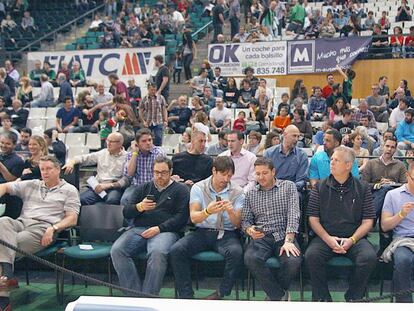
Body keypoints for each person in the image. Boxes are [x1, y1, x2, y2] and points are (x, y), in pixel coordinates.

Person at [305, 146, 377, 302]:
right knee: (312, 256)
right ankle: (322, 299)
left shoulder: (363, 188)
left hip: (354, 237)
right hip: (325, 237)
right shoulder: (319, 187)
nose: (331, 163)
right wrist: (328, 239)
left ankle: (353, 297)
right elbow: (313, 219)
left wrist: (352, 240)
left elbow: (368, 221)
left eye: (336, 160)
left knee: (369, 257)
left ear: (348, 165)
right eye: (331, 159)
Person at [111, 156, 190, 295]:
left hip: (166, 231)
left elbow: (181, 218)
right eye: (156, 172)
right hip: (139, 229)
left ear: (171, 171)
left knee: (157, 253)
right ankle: (135, 296)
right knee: (117, 250)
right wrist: (139, 207)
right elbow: (126, 212)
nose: (159, 176)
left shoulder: (181, 190)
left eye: (163, 172)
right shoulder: (143, 188)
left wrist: (159, 228)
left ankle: (149, 297)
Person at [170, 156, 244, 299]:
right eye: (223, 174)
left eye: (229, 175)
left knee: (236, 253)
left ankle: (221, 292)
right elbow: (194, 217)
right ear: (214, 171)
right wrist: (208, 211)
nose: (226, 179)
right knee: (176, 250)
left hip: (226, 233)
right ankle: (186, 296)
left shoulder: (238, 192)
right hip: (202, 231)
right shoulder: (199, 187)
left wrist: (230, 211)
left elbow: (237, 224)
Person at [243, 157, 301, 301]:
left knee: (293, 261)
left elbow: (294, 215)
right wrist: (249, 230)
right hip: (262, 237)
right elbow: (245, 220)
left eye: (264, 173)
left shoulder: (288, 186)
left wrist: (289, 240)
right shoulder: (250, 194)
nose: (261, 177)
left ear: (273, 171)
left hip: (284, 235)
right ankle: (279, 296)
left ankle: (274, 295)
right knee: (251, 258)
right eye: (258, 174)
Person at [63, 132, 129, 205]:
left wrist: (110, 185)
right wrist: (72, 162)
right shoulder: (102, 153)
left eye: (111, 141)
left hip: (114, 187)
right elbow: (84, 158)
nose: (108, 143)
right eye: (107, 140)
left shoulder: (127, 157)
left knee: (112, 200)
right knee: (80, 200)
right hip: (98, 186)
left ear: (120, 143)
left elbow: (126, 179)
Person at [381, 162, 414, 303]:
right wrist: (401, 214)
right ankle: (404, 304)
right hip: (403, 240)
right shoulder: (393, 195)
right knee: (403, 260)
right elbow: (384, 226)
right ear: (407, 176)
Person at [362, 137, 407, 218]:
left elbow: (405, 185)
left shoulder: (400, 165)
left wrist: (393, 184)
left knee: (386, 189)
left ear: (395, 149)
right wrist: (379, 185)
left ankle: (371, 220)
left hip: (393, 194)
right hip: (374, 193)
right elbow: (363, 184)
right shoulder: (371, 163)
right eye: (387, 146)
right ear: (382, 146)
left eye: (392, 147)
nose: (389, 149)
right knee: (383, 190)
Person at [120, 129, 166, 206]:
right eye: (144, 141)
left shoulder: (158, 153)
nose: (148, 143)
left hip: (154, 186)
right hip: (136, 186)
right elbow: (129, 174)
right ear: (137, 143)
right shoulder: (131, 154)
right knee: (125, 199)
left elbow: (160, 174)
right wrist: (135, 153)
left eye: (150, 140)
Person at [264, 125, 308, 198]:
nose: (297, 139)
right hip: (272, 188)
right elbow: (265, 175)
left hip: (292, 190)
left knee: (297, 196)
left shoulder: (302, 155)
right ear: (284, 135)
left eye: (298, 136)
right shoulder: (269, 153)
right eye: (294, 136)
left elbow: (301, 180)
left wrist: (286, 189)